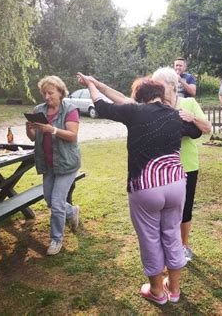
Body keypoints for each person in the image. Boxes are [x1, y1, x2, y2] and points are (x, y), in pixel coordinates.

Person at [77, 73, 202, 304]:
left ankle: (156, 291)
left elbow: (100, 105)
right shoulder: (175, 115)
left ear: (138, 98)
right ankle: (174, 290)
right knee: (172, 234)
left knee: (150, 238)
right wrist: (189, 116)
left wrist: (92, 86)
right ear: (160, 95)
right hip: (176, 185)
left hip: (146, 186)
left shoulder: (134, 112)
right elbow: (196, 131)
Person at [152, 67, 212, 262]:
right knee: (162, 210)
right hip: (161, 168)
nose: (157, 89)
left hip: (186, 165)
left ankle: (184, 246)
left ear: (172, 85)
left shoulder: (188, 102)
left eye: (159, 84)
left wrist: (192, 117)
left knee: (184, 210)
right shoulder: (154, 106)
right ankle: (166, 245)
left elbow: (208, 128)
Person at [26, 75, 81, 256]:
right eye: (44, 93)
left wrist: (53, 130)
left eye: (50, 93)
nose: (47, 97)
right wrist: (29, 128)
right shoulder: (39, 109)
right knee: (50, 199)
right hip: (47, 163)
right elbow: (34, 137)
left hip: (66, 163)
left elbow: (72, 135)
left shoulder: (70, 109)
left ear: (60, 92)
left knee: (56, 203)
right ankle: (72, 211)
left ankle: (56, 239)